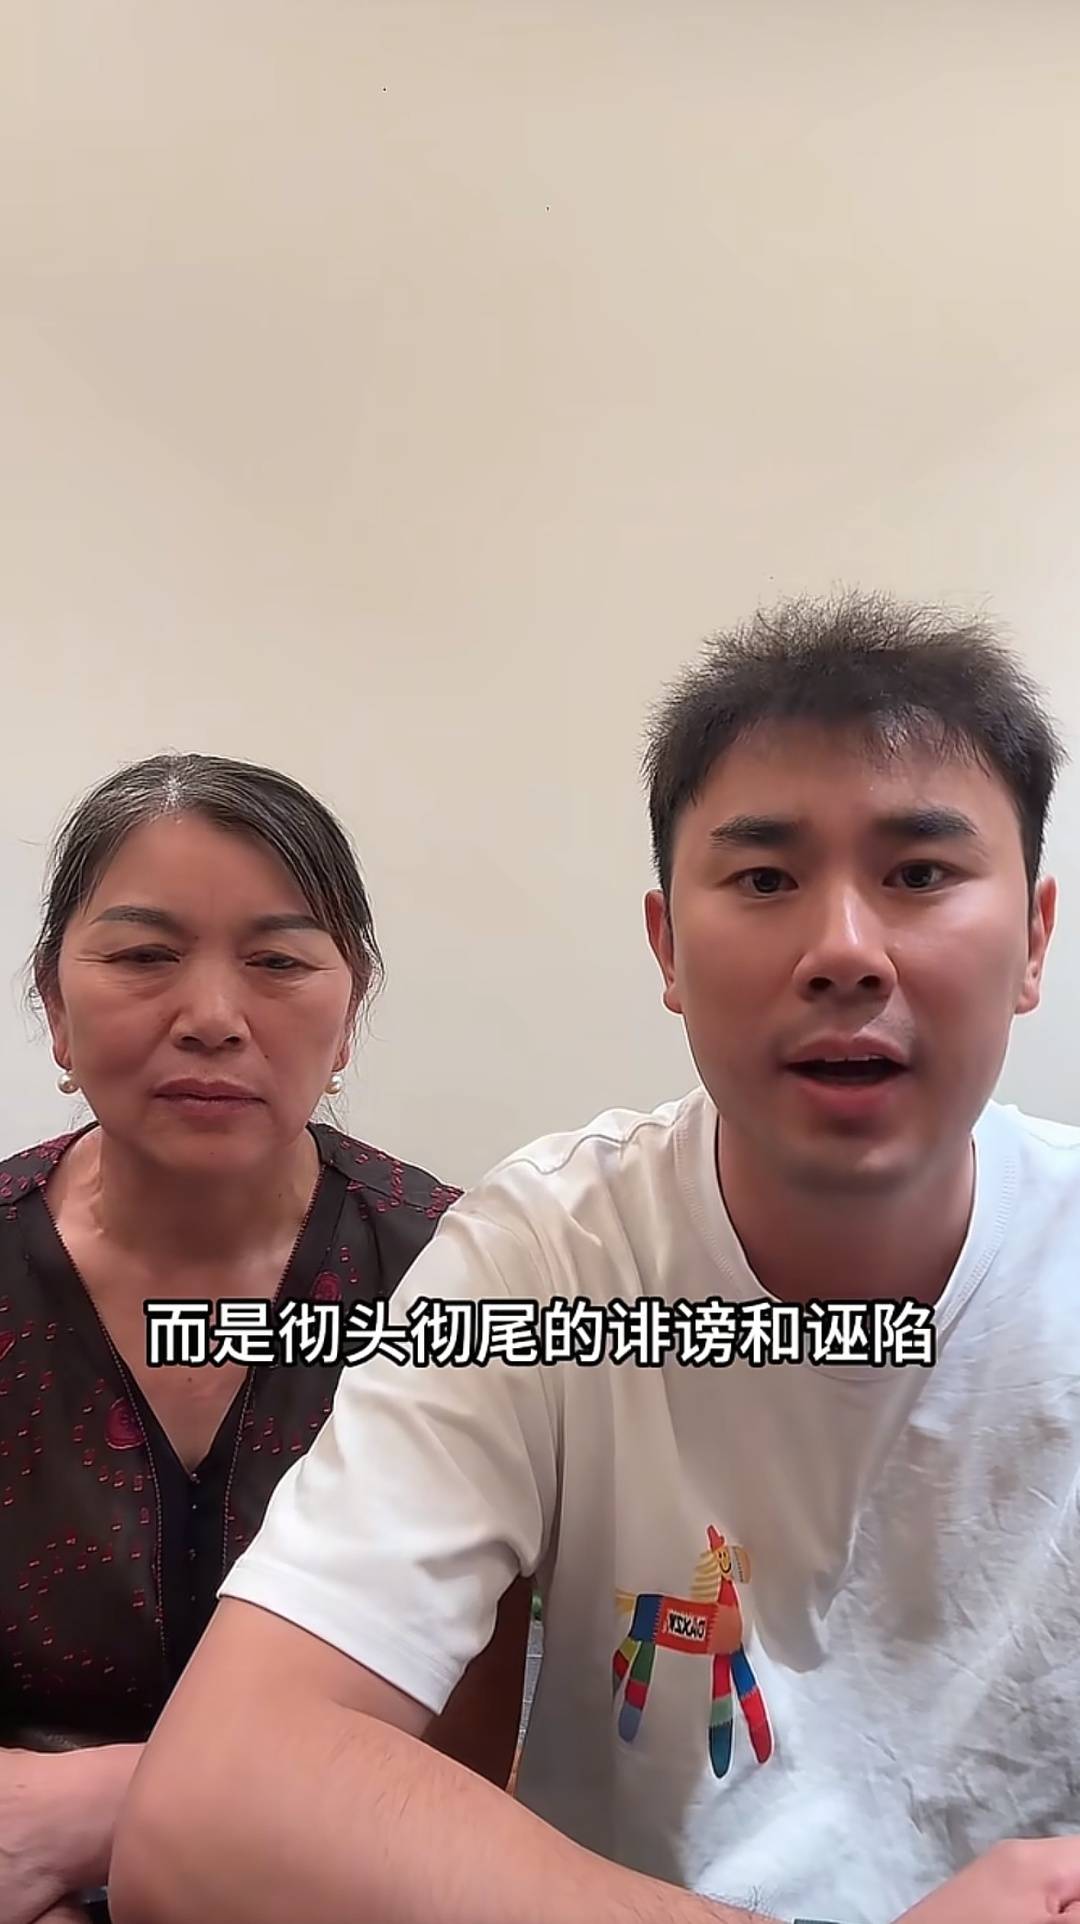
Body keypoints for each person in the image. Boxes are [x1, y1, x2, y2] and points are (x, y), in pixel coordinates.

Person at [109, 594, 1080, 1924]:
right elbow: (208, 1816)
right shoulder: (546, 1257)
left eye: (918, 874)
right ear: (667, 947)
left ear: (1033, 938)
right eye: (765, 879)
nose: (845, 951)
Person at [0, 753, 529, 1924]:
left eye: (279, 962)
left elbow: (466, 1761)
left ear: (351, 1012)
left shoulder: (462, 1276)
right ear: (54, 1003)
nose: (211, 1018)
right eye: (144, 956)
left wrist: (111, 1800)